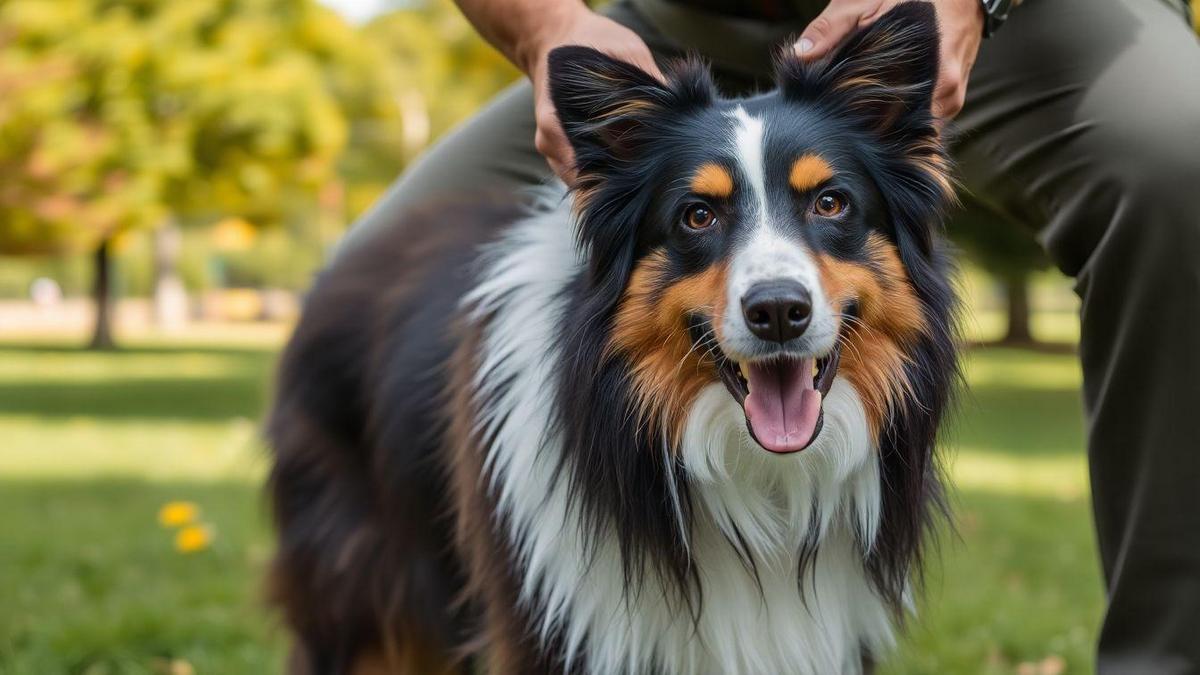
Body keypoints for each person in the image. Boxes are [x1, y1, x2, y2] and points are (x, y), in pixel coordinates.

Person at [344, 0, 1200, 671]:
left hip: (996, 21)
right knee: (354, 298)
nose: (777, 296)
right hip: (680, 27)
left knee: (1180, 159)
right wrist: (548, 27)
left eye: (830, 206)